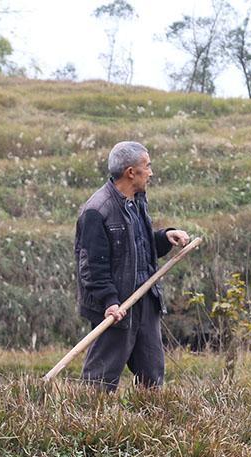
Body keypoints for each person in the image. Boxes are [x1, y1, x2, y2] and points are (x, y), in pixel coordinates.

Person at [74, 141, 190, 391]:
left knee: (152, 375)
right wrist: (109, 301)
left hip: (145, 299)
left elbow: (139, 247)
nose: (151, 172)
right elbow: (92, 267)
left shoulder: (137, 200)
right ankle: (87, 423)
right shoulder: (97, 210)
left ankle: (151, 424)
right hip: (117, 307)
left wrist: (164, 237)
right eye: (147, 166)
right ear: (130, 172)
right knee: (100, 380)